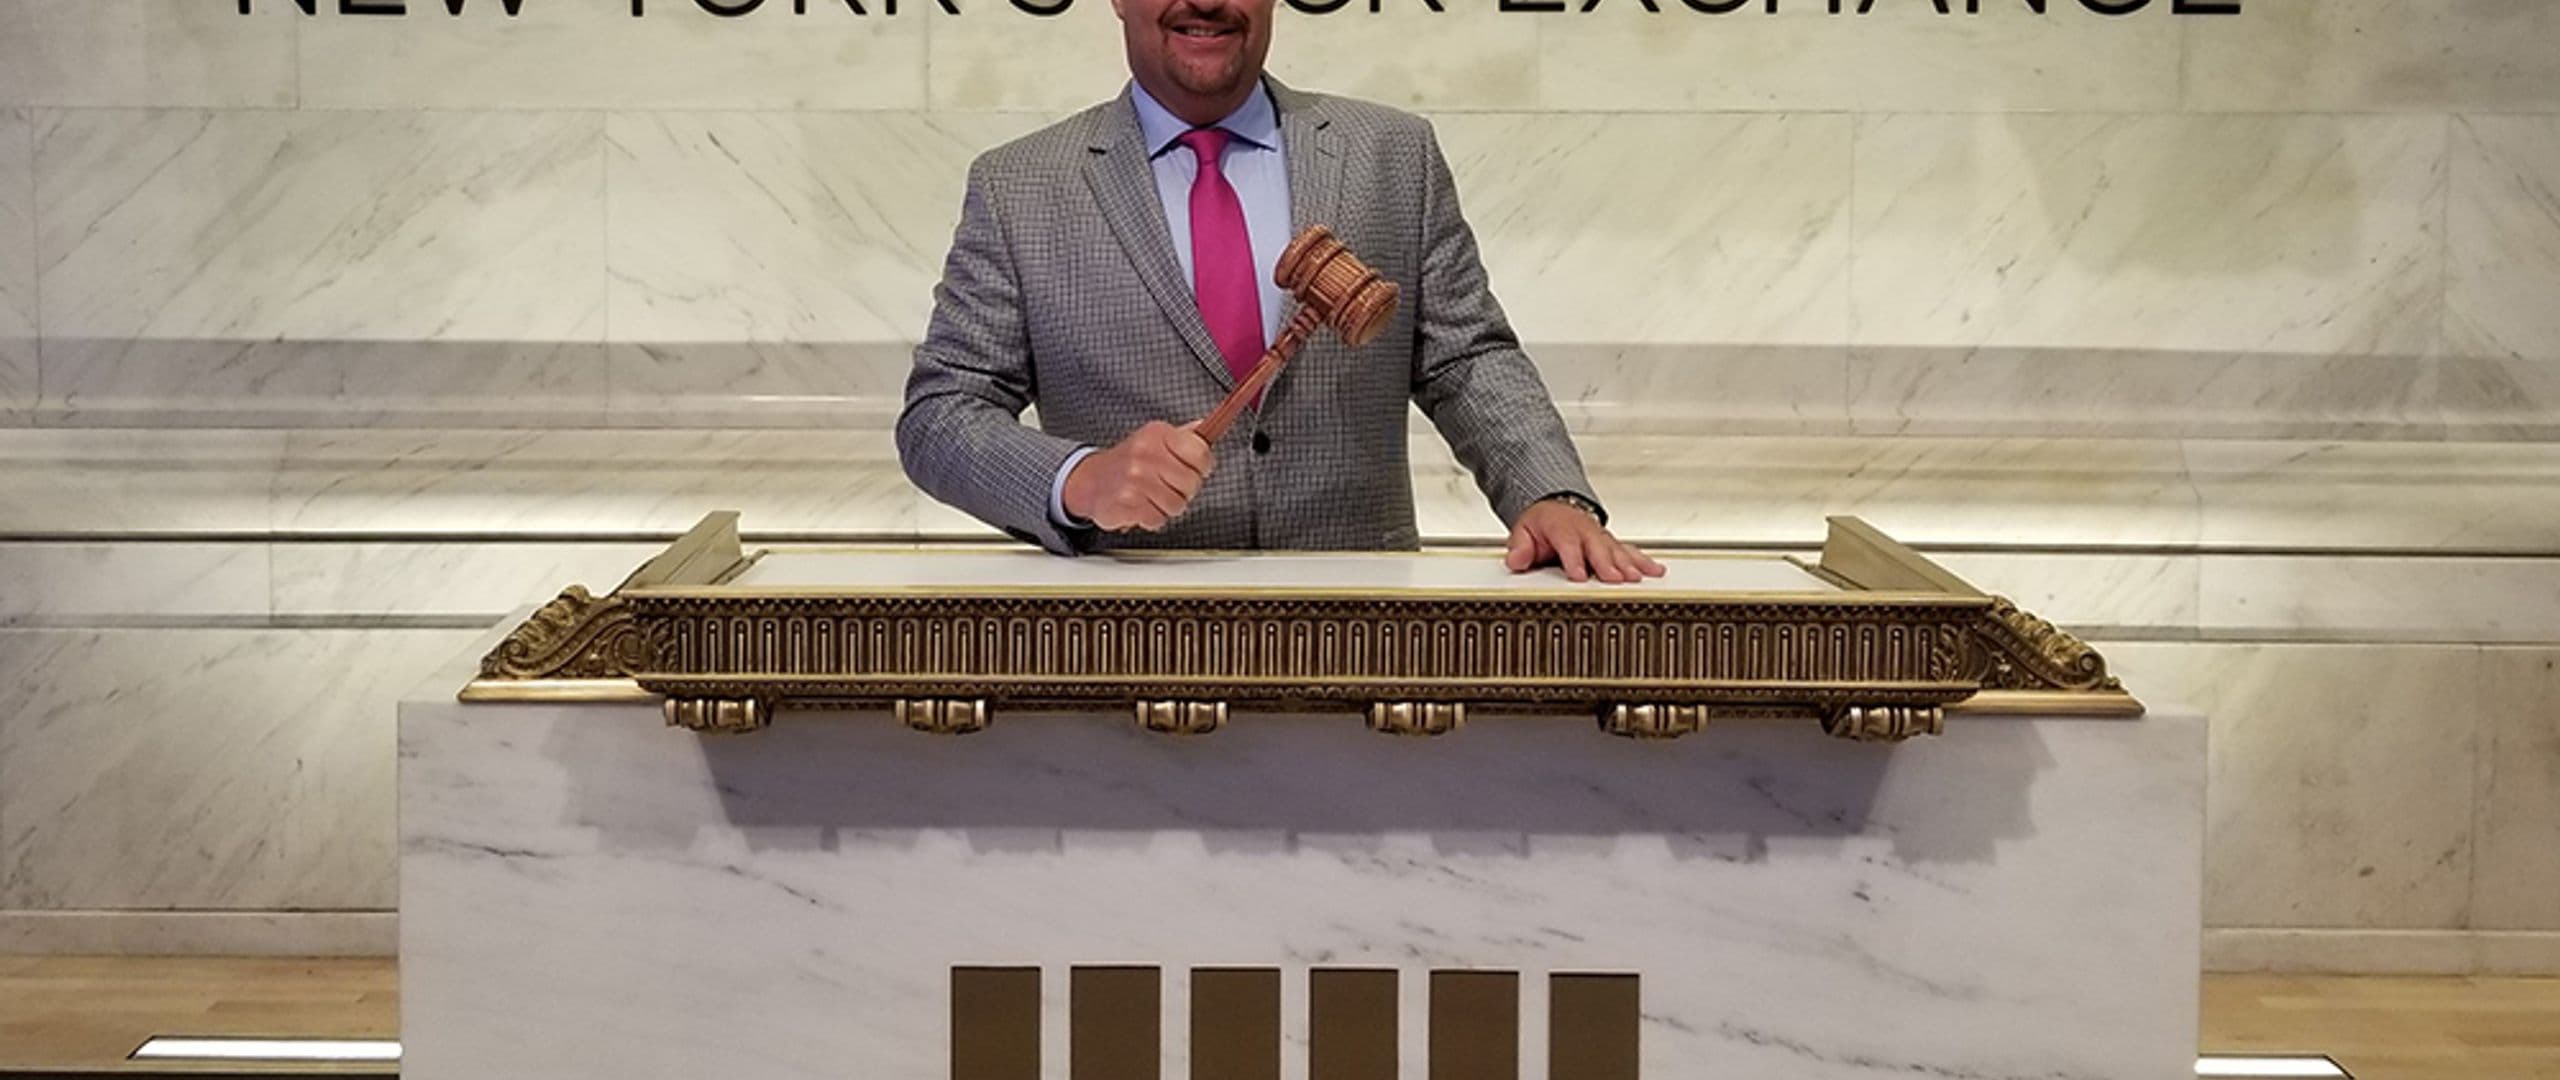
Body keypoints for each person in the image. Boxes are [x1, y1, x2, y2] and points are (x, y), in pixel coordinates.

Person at [896, 0, 1665, 584]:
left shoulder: (1390, 154)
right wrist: (1077, 480)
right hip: (1130, 628)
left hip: (1364, 628)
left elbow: (1467, 359)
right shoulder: (1019, 186)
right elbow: (941, 415)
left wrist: (1550, 493)